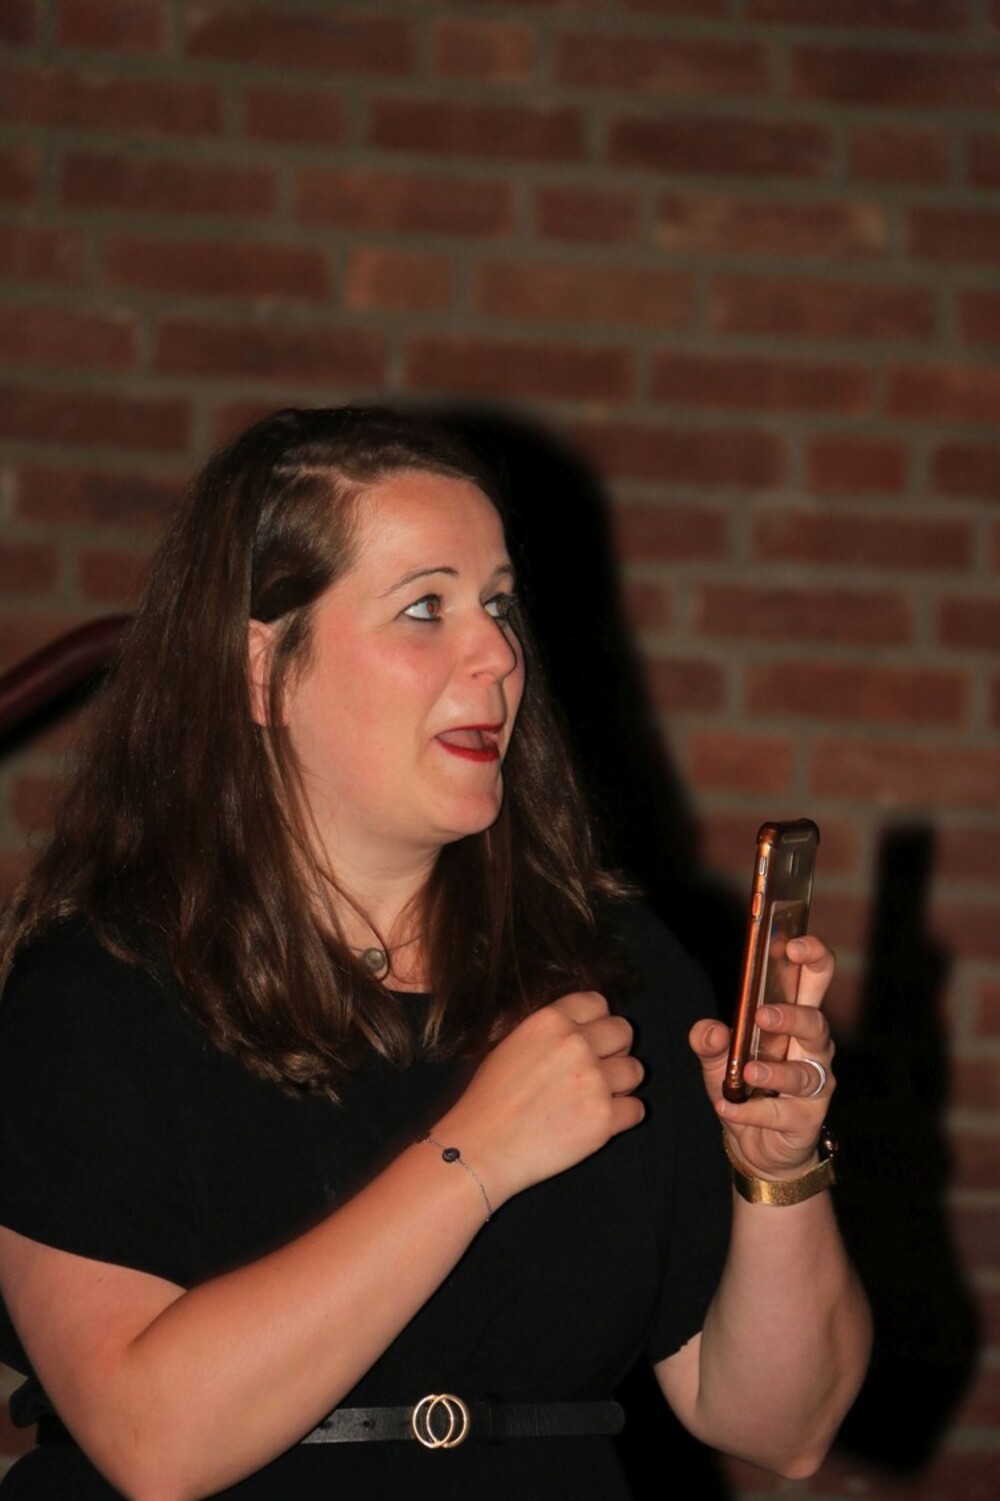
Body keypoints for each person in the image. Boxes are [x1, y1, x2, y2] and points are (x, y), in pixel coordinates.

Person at [0, 407, 870, 1501]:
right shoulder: (98, 989)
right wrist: (474, 1156)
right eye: (426, 608)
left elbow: (781, 1426)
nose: (499, 655)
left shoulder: (612, 969)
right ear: (263, 670)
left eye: (499, 604)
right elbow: (151, 1440)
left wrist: (778, 1170)